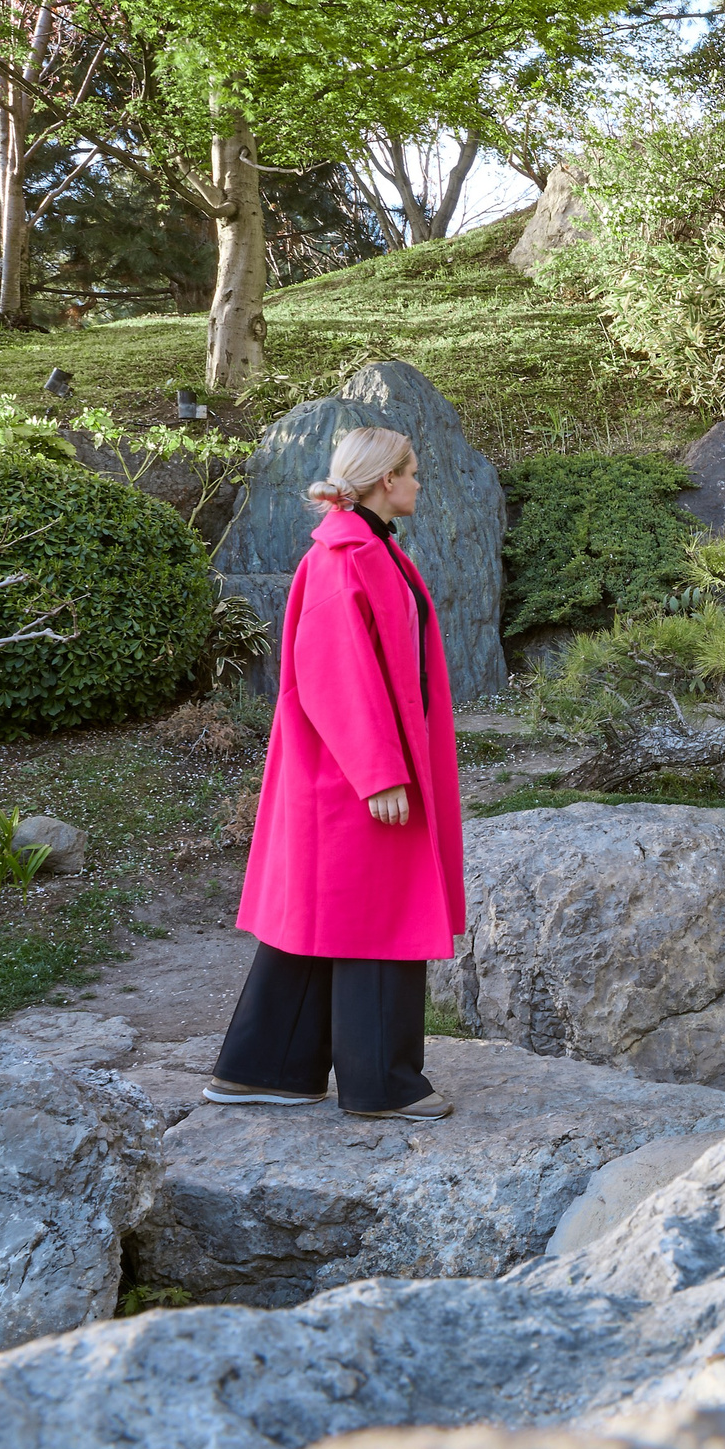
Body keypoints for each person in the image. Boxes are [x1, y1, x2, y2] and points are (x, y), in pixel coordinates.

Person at [204, 427, 465, 1119]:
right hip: (353, 774)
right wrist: (380, 773)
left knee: (325, 918)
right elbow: (334, 677)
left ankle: (266, 1069)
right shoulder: (345, 559)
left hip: (350, 770)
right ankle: (384, 1086)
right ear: (385, 482)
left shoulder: (365, 548)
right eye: (412, 472)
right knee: (382, 915)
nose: (418, 482)